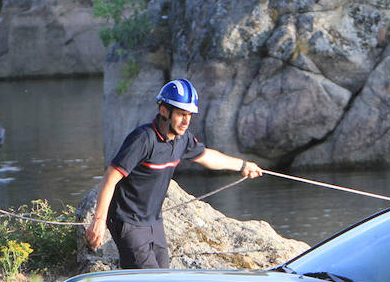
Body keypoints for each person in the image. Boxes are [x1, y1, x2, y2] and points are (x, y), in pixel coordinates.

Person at [87, 79, 263, 269]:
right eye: (181, 114)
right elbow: (110, 178)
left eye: (189, 115)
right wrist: (99, 220)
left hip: (154, 221)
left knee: (165, 277)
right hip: (127, 221)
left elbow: (208, 157)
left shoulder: (182, 140)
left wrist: (243, 165)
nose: (186, 121)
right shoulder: (144, 139)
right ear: (164, 111)